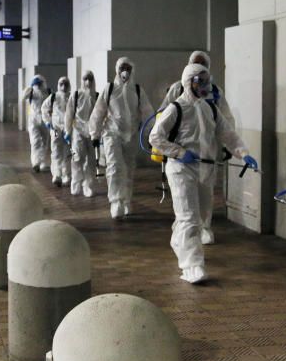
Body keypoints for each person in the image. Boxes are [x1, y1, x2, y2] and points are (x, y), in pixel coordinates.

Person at [150, 63, 257, 283]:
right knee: (189, 217)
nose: (206, 86)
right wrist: (179, 152)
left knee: (198, 217)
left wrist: (243, 153)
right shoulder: (175, 108)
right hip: (180, 169)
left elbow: (227, 133)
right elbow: (155, 137)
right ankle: (192, 266)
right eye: (201, 81)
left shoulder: (210, 109)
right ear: (189, 82)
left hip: (205, 168)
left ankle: (178, 240)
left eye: (207, 81)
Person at [158, 50, 234, 244]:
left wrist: (228, 146)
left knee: (206, 193)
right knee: (185, 197)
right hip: (184, 150)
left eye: (203, 63)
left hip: (208, 150)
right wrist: (172, 148)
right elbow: (164, 111)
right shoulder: (178, 89)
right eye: (195, 63)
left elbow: (226, 118)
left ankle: (204, 227)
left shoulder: (215, 91)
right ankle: (186, 230)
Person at [89, 57, 153, 219]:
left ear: (132, 70)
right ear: (117, 70)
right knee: (115, 166)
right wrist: (94, 134)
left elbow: (147, 113)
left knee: (129, 167)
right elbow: (98, 112)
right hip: (111, 133)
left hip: (131, 135)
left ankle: (126, 200)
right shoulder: (109, 89)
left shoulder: (137, 90)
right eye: (122, 68)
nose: (125, 71)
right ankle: (116, 201)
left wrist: (151, 135)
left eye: (128, 68)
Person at [64, 71, 99, 197]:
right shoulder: (76, 95)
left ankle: (88, 186)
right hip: (78, 131)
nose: (87, 82)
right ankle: (76, 183)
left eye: (90, 79)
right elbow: (69, 114)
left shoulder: (97, 96)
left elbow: (101, 116)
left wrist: (99, 133)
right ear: (81, 80)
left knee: (90, 161)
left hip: (92, 132)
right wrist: (67, 131)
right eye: (85, 79)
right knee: (77, 158)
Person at [42, 76, 72, 187]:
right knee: (55, 151)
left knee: (68, 153)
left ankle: (66, 174)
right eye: (61, 84)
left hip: (68, 130)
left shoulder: (72, 97)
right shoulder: (53, 97)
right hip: (55, 130)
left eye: (66, 84)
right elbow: (44, 109)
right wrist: (48, 122)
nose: (63, 86)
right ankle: (57, 174)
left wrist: (72, 128)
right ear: (58, 85)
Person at [21, 74, 51, 172]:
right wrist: (28, 89)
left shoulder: (48, 92)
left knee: (45, 141)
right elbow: (23, 97)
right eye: (36, 84)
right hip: (33, 119)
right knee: (35, 141)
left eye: (40, 83)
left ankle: (42, 162)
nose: (38, 86)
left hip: (45, 119)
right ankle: (35, 162)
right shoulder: (32, 92)